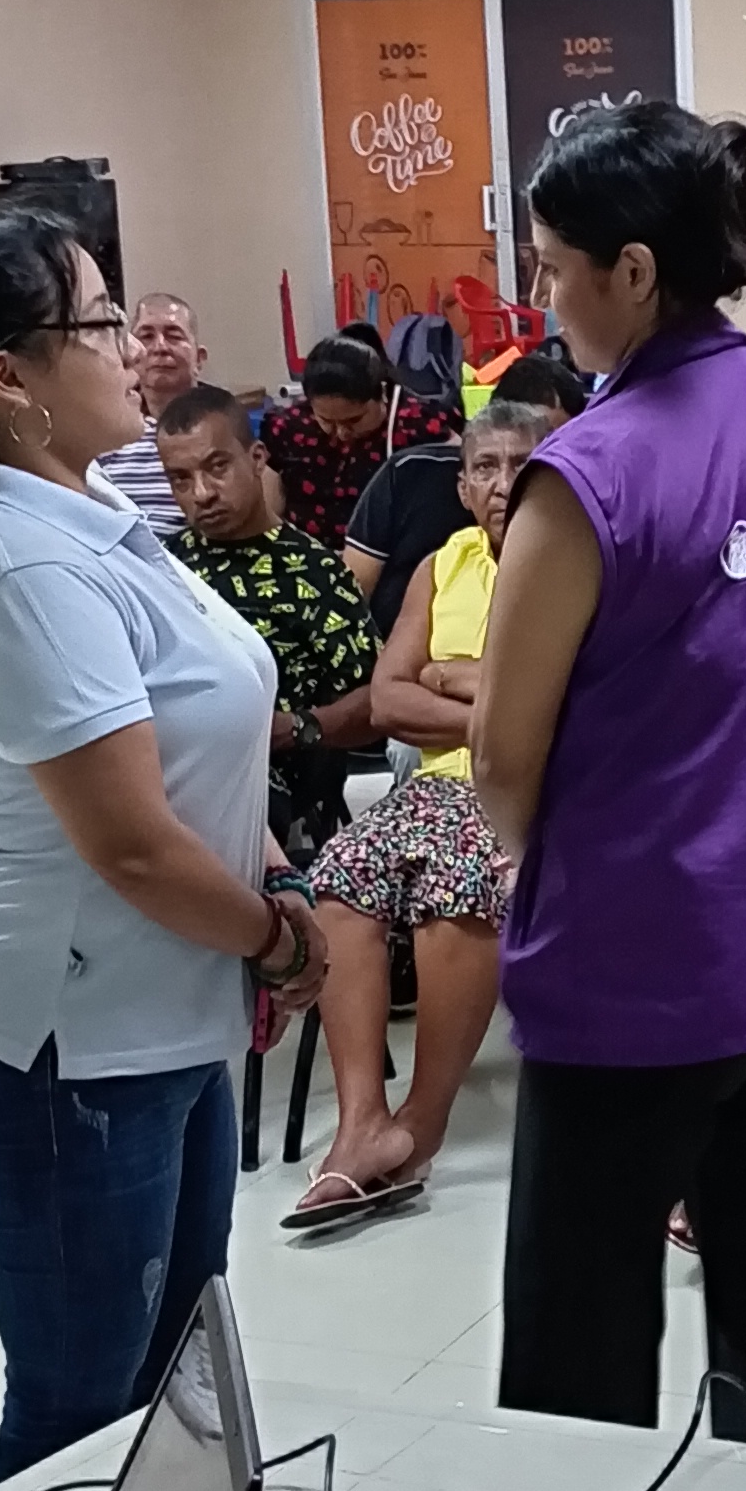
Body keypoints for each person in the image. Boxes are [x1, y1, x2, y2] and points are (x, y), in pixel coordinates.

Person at [0, 204, 322, 1482]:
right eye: (100, 320)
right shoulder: (26, 570)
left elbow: (197, 737)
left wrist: (273, 869)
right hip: (61, 1051)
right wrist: (280, 939)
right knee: (79, 1408)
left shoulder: (89, 505)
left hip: (160, 1009)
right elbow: (134, 847)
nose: (130, 345)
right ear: (9, 376)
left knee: (172, 1370)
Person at [472, 100, 746, 1448]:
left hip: (642, 953)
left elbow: (501, 748)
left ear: (634, 269)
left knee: (580, 1340)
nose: (543, 298)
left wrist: (526, 864)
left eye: (554, 266)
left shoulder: (586, 474)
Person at [288, 400, 572, 1230]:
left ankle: (422, 1122)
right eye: (486, 467)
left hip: (543, 789)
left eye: (522, 465)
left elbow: (576, 708)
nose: (503, 483)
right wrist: (501, 701)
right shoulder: (441, 567)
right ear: (462, 486)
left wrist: (450, 679)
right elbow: (387, 701)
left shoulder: (579, 561)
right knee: (341, 875)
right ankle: (361, 1123)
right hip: (440, 783)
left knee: (455, 878)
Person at [153, 381, 382, 863]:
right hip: (168, 771)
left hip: (274, 785)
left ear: (256, 458)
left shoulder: (315, 573)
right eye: (180, 479)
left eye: (217, 467)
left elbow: (375, 703)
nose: (201, 494)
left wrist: (296, 728)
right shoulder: (161, 567)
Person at [345, 350, 584, 631]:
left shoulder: (578, 549)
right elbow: (352, 601)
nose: (505, 485)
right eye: (486, 465)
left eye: (554, 445)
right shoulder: (409, 478)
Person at [261, 331, 458, 546]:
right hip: (307, 554)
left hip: (392, 556)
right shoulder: (288, 427)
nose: (342, 433)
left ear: (382, 393)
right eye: (326, 421)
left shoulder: (421, 424)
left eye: (354, 420)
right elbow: (269, 512)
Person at [89, 289, 209, 537]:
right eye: (146, 336)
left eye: (174, 336)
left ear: (199, 359)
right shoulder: (107, 434)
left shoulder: (222, 426)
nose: (160, 347)